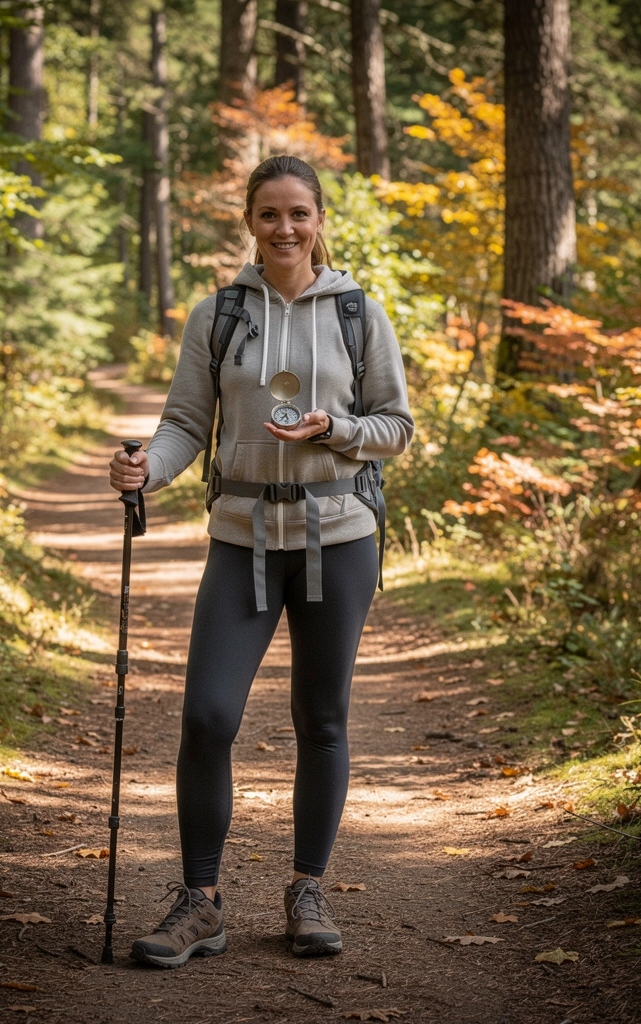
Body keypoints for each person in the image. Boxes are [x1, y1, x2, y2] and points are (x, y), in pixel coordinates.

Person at [108, 154, 413, 968]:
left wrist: (334, 431)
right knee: (208, 716)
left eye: (299, 214)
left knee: (323, 720)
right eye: (269, 213)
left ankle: (307, 889)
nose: (285, 228)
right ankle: (200, 901)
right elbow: (182, 424)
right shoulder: (218, 315)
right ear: (250, 220)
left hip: (339, 535)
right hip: (240, 536)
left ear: (320, 221)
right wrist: (148, 470)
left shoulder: (357, 313)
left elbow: (395, 427)